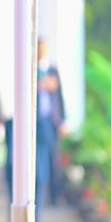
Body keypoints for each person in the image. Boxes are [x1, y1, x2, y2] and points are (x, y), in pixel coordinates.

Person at [36, 38, 66, 206]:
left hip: (52, 119)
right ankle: (41, 192)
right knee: (40, 160)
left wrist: (62, 120)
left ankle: (55, 196)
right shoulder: (31, 69)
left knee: (54, 158)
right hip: (37, 120)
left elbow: (59, 97)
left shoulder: (52, 69)